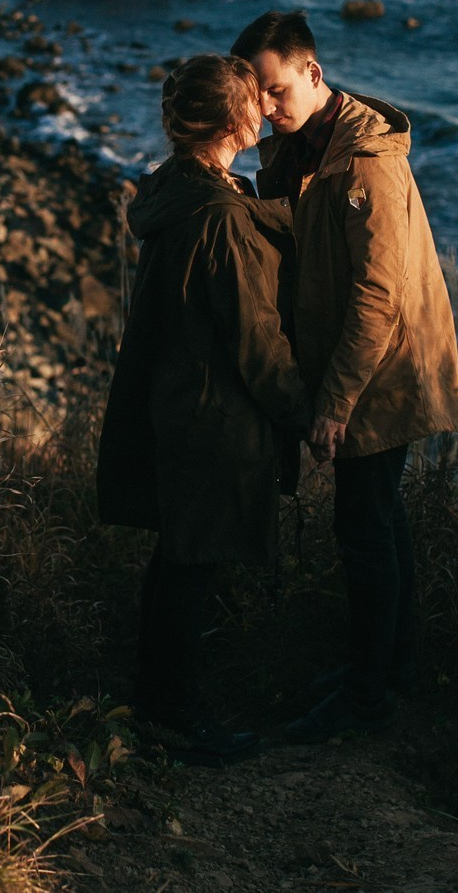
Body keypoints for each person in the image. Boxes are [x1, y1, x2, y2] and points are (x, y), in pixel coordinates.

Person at [229, 10, 458, 744]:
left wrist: (332, 405)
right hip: (356, 369)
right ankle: (393, 671)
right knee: (382, 519)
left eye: (276, 90)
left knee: (364, 527)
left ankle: (365, 699)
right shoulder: (301, 144)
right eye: (257, 95)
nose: (267, 107)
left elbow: (377, 295)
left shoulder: (366, 161)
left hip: (381, 373)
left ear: (313, 72)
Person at [97, 54, 311, 766]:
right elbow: (255, 337)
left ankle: (162, 701)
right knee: (192, 568)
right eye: (256, 100)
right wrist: (305, 413)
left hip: (181, 400)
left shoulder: (182, 191)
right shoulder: (219, 215)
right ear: (234, 120)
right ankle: (176, 717)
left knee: (178, 561)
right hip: (214, 412)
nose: (266, 109)